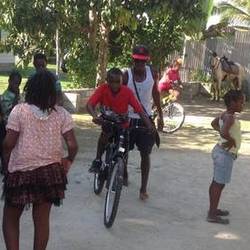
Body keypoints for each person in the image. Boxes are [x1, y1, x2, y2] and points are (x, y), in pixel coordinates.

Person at [2, 70, 78, 250]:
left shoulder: (19, 111)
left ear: (31, 90)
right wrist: (68, 161)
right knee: (42, 221)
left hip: (21, 172)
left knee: (11, 218)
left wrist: (6, 163)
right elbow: (73, 146)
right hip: (50, 174)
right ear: (53, 92)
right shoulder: (62, 114)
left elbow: (8, 144)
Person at [87, 67, 153, 175]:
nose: (115, 85)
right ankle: (98, 160)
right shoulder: (102, 89)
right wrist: (95, 116)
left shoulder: (127, 92)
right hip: (106, 121)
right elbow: (89, 105)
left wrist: (149, 125)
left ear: (122, 81)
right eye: (112, 82)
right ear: (107, 81)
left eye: (118, 82)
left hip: (122, 123)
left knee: (123, 146)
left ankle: (121, 172)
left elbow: (140, 110)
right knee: (105, 135)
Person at [123, 45, 163, 200]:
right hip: (127, 119)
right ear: (132, 59)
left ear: (147, 60)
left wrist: (160, 115)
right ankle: (123, 173)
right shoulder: (126, 75)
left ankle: (143, 188)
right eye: (136, 61)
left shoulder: (152, 74)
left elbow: (156, 94)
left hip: (145, 119)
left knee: (145, 154)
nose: (139, 64)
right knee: (123, 150)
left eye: (142, 61)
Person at [207, 89, 244, 224]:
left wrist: (225, 136)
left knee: (217, 183)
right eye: (241, 102)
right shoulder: (230, 117)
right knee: (218, 184)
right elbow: (223, 132)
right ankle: (212, 214)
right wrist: (231, 140)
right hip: (224, 155)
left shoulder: (225, 115)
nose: (243, 104)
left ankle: (213, 209)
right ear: (233, 103)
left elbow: (214, 124)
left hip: (221, 151)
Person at [0, 71, 22, 173]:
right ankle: (5, 168)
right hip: (6, 126)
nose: (16, 86)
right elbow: (12, 111)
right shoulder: (5, 96)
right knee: (5, 148)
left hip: (16, 126)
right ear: (9, 81)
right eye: (14, 83)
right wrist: (16, 98)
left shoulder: (17, 96)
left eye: (18, 84)